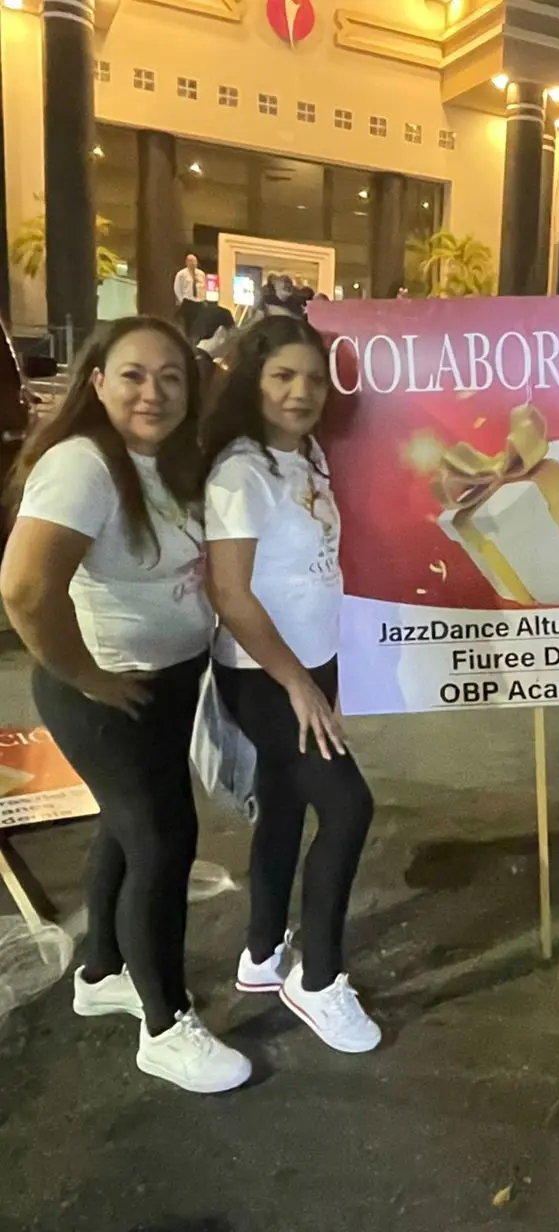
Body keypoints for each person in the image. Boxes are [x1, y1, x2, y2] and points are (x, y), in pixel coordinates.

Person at [0, 317, 251, 1094]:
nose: (154, 391)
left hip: (161, 684)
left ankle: (102, 971)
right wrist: (83, 674)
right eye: (134, 374)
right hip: (108, 694)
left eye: (171, 377)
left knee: (126, 826)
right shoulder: (83, 465)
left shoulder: (166, 461)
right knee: (162, 843)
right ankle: (166, 1025)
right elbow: (25, 588)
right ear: (97, 380)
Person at [200, 315, 380, 1053]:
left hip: (314, 663)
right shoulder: (238, 471)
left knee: (283, 803)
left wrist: (326, 673)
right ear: (252, 380)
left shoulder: (306, 455)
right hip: (265, 675)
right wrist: (297, 685)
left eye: (312, 377)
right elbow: (230, 594)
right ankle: (318, 980)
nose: (301, 392)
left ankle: (263, 952)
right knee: (348, 808)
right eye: (282, 376)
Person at [173, 254, 207, 332]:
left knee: (199, 323)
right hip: (188, 301)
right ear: (186, 262)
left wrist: (203, 298)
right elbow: (177, 287)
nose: (193, 263)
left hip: (199, 302)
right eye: (190, 261)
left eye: (194, 261)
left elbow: (204, 287)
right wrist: (181, 300)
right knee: (188, 324)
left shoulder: (201, 274)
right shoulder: (181, 274)